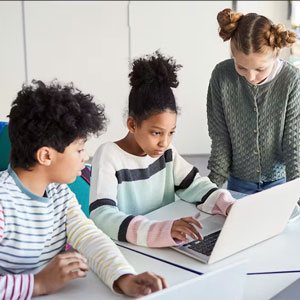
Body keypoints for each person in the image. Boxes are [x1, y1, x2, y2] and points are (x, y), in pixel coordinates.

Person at [0, 80, 167, 299]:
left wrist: (123, 277)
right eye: (79, 149)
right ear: (46, 156)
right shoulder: (4, 204)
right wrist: (37, 284)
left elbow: (90, 238)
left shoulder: (59, 193)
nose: (85, 157)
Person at [89, 51, 236, 248]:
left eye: (171, 132)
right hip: (129, 249)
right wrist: (159, 230)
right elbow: (102, 215)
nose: (164, 142)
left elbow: (193, 185)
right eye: (156, 133)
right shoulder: (109, 155)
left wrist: (226, 204)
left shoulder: (166, 153)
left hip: (164, 245)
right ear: (132, 125)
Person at [207, 8, 300, 194]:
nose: (251, 77)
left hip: (280, 182)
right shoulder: (221, 76)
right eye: (241, 67)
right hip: (239, 181)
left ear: (276, 54)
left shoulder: (291, 80)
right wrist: (210, 190)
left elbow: (294, 142)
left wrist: (295, 192)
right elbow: (220, 137)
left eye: (260, 69)